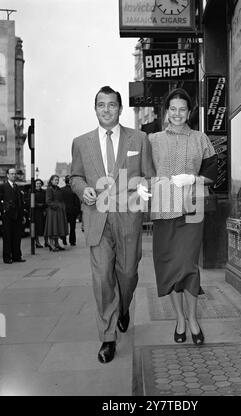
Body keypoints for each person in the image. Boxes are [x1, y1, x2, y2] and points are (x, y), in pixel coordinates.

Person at [71, 85, 153, 364]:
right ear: (95, 109)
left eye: (111, 105)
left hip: (128, 218)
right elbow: (75, 176)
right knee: (103, 278)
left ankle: (124, 306)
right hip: (97, 219)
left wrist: (142, 195)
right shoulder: (81, 142)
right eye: (101, 105)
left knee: (128, 274)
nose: (106, 110)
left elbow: (149, 177)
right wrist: (83, 190)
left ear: (120, 108)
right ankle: (108, 338)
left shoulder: (140, 138)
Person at [148, 88, 217, 345]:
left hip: (191, 210)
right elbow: (140, 168)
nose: (177, 114)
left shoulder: (201, 139)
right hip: (163, 209)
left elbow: (214, 172)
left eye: (182, 109)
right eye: (173, 109)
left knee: (187, 266)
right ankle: (179, 319)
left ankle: (194, 319)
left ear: (189, 112)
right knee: (168, 267)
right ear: (167, 112)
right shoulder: (152, 140)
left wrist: (195, 178)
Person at [0, 167, 26, 263]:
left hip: (17, 215)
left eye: (14, 174)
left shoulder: (17, 187)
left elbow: (20, 202)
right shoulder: (3, 186)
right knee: (7, 237)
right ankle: (7, 258)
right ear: (7, 175)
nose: (13, 175)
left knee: (17, 236)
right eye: (11, 174)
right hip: (7, 216)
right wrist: (3, 210)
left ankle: (17, 256)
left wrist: (22, 215)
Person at [44, 174, 68, 252]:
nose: (56, 181)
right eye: (55, 180)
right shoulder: (49, 189)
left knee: (57, 228)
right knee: (52, 227)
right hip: (52, 211)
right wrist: (57, 206)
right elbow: (48, 201)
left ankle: (57, 243)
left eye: (57, 180)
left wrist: (62, 206)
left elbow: (62, 199)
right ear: (51, 181)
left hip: (59, 211)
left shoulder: (58, 189)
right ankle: (51, 244)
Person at [61, 175, 81, 246]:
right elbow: (77, 202)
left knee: (63, 226)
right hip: (72, 211)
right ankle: (72, 241)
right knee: (72, 227)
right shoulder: (74, 190)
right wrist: (78, 212)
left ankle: (64, 240)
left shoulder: (61, 190)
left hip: (63, 211)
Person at [34, 179, 47, 248]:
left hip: (43, 211)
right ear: (35, 184)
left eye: (40, 183)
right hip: (36, 212)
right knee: (36, 228)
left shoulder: (44, 191)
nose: (38, 185)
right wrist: (40, 205)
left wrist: (44, 206)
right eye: (37, 183)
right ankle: (37, 242)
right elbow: (31, 202)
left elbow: (46, 200)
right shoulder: (32, 191)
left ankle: (46, 241)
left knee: (45, 226)